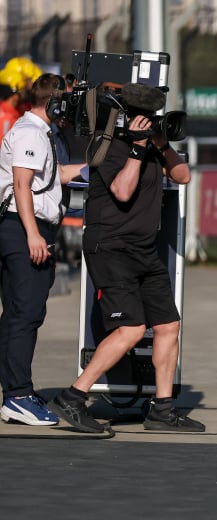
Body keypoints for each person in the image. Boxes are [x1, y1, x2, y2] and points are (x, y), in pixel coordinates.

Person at [49, 82, 205, 433]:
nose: (150, 123)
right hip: (111, 247)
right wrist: (137, 148)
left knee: (168, 325)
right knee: (132, 328)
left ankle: (162, 410)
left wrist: (161, 145)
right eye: (146, 118)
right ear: (129, 118)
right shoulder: (108, 146)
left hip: (142, 249)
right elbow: (121, 191)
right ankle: (73, 397)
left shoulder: (152, 147)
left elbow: (183, 176)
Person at [0, 73, 84, 425]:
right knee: (26, 313)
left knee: (18, 313)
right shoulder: (31, 133)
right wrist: (33, 235)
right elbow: (22, 185)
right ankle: (18, 397)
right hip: (24, 228)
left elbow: (53, 176)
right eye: (68, 101)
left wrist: (95, 167)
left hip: (25, 226)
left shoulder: (41, 132)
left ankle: (15, 389)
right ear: (54, 103)